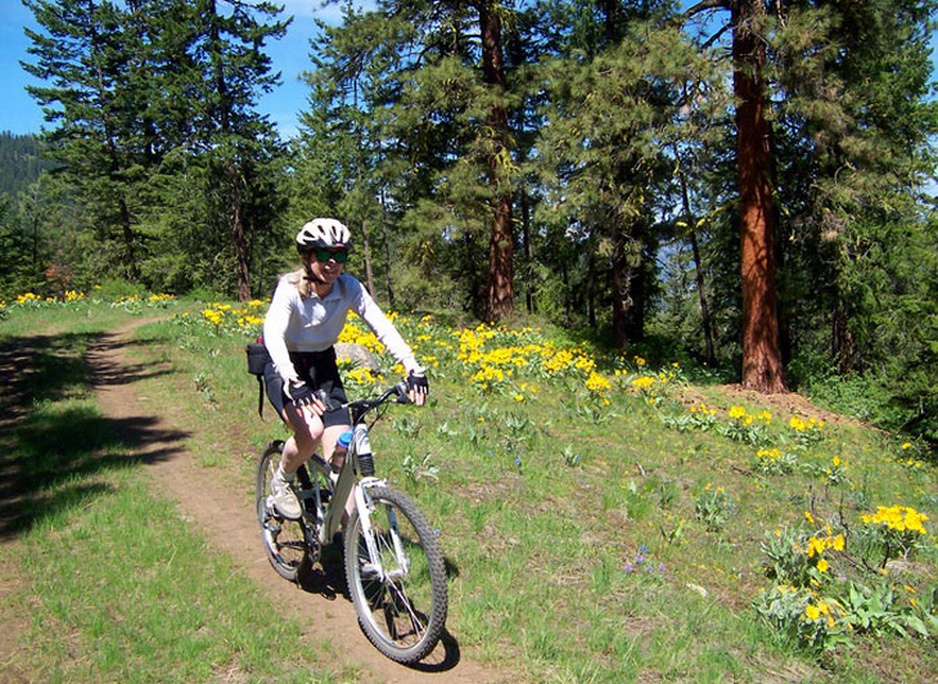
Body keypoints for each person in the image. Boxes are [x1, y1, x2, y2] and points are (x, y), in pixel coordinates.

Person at [261, 218, 428, 519]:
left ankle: (355, 546)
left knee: (342, 453)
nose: (332, 262)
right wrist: (291, 379)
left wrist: (412, 367)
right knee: (311, 432)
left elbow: (382, 326)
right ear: (308, 257)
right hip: (285, 367)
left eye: (340, 254)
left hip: (323, 366)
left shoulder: (348, 287)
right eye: (324, 254)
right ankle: (282, 481)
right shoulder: (289, 288)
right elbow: (272, 333)